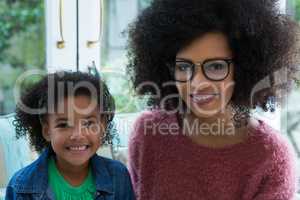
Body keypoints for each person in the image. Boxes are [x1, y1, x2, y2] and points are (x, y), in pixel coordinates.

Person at [126, 0, 300, 199]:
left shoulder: (271, 157)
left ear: (244, 70)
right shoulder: (148, 134)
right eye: (183, 67)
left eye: (216, 67)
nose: (197, 83)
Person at [5, 71, 135, 200]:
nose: (77, 135)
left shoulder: (118, 177)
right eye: (63, 125)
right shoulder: (21, 186)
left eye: (88, 123)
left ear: (102, 127)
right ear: (46, 130)